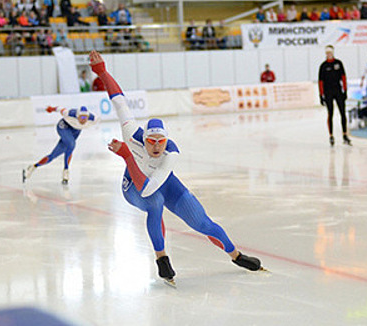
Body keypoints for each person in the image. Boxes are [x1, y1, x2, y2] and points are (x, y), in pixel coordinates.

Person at [89, 50, 266, 285]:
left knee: (201, 222)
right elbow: (118, 99)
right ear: (143, 140)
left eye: (160, 143)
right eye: (151, 142)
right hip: (133, 183)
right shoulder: (131, 134)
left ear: (166, 141)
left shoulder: (171, 154)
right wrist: (103, 72)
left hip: (157, 181)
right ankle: (162, 259)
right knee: (155, 203)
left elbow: (152, 185)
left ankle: (236, 255)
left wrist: (125, 155)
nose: (155, 148)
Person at [23, 106, 98, 184]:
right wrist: (51, 109)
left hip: (75, 132)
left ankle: (33, 167)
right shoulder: (69, 114)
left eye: (86, 117)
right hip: (64, 128)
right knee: (71, 144)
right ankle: (66, 170)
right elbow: (60, 108)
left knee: (52, 156)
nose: (84, 120)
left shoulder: (94, 119)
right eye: (82, 117)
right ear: (77, 116)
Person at [318, 45, 351, 147]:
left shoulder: (338, 63)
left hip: (338, 91)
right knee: (330, 113)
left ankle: (345, 135)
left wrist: (345, 90)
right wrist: (321, 95)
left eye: (330, 53)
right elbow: (320, 82)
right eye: (327, 53)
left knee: (342, 113)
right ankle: (331, 135)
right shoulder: (323, 66)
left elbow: (343, 77)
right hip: (328, 92)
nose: (329, 54)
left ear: (333, 53)